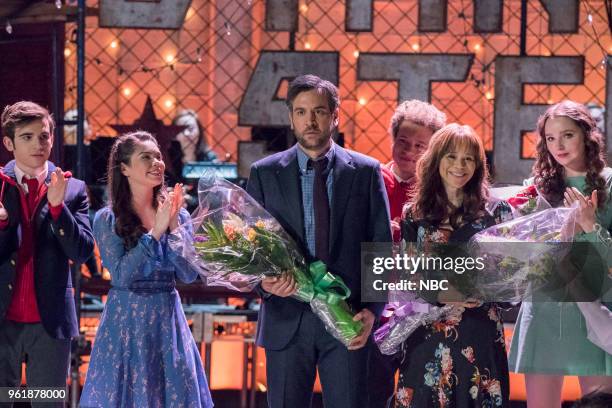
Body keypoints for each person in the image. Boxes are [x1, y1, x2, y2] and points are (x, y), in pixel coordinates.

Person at [246, 74, 391, 408]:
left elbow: (381, 246)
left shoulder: (366, 172)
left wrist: (372, 309)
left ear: (335, 115)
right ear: (291, 117)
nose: (309, 120)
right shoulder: (265, 173)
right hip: (286, 320)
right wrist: (265, 284)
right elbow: (249, 246)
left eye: (319, 111)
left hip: (348, 316)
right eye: (300, 112)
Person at [79, 131, 213, 407]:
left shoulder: (178, 213)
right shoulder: (108, 218)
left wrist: (175, 228)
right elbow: (122, 275)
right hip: (126, 323)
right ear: (125, 169)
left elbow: (189, 275)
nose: (156, 162)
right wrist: (155, 233)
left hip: (168, 321)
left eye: (158, 156)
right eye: (146, 157)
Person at [394, 123, 512, 407]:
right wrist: (441, 293)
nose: (460, 165)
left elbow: (510, 284)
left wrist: (486, 289)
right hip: (426, 336)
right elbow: (407, 280)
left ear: (478, 165)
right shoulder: (414, 214)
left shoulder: (498, 213)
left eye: (468, 158)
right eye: (451, 156)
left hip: (479, 336)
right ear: (436, 159)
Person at [508, 100, 612, 406]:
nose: (559, 145)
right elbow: (520, 257)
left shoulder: (609, 183)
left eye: (567, 135)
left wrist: (591, 226)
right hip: (545, 310)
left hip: (594, 311)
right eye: (550, 138)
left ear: (586, 134)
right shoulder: (534, 189)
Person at [0, 101, 94, 405]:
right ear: (8, 143)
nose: (38, 144)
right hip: (3, 319)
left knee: (47, 402)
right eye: (27, 137)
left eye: (44, 136)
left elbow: (81, 252)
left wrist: (58, 208)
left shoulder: (73, 189)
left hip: (50, 322)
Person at [369, 100, 446, 407]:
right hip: (375, 307)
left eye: (420, 146)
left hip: (422, 311)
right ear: (392, 139)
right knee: (374, 389)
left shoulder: (438, 193)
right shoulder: (371, 179)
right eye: (402, 142)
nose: (409, 151)